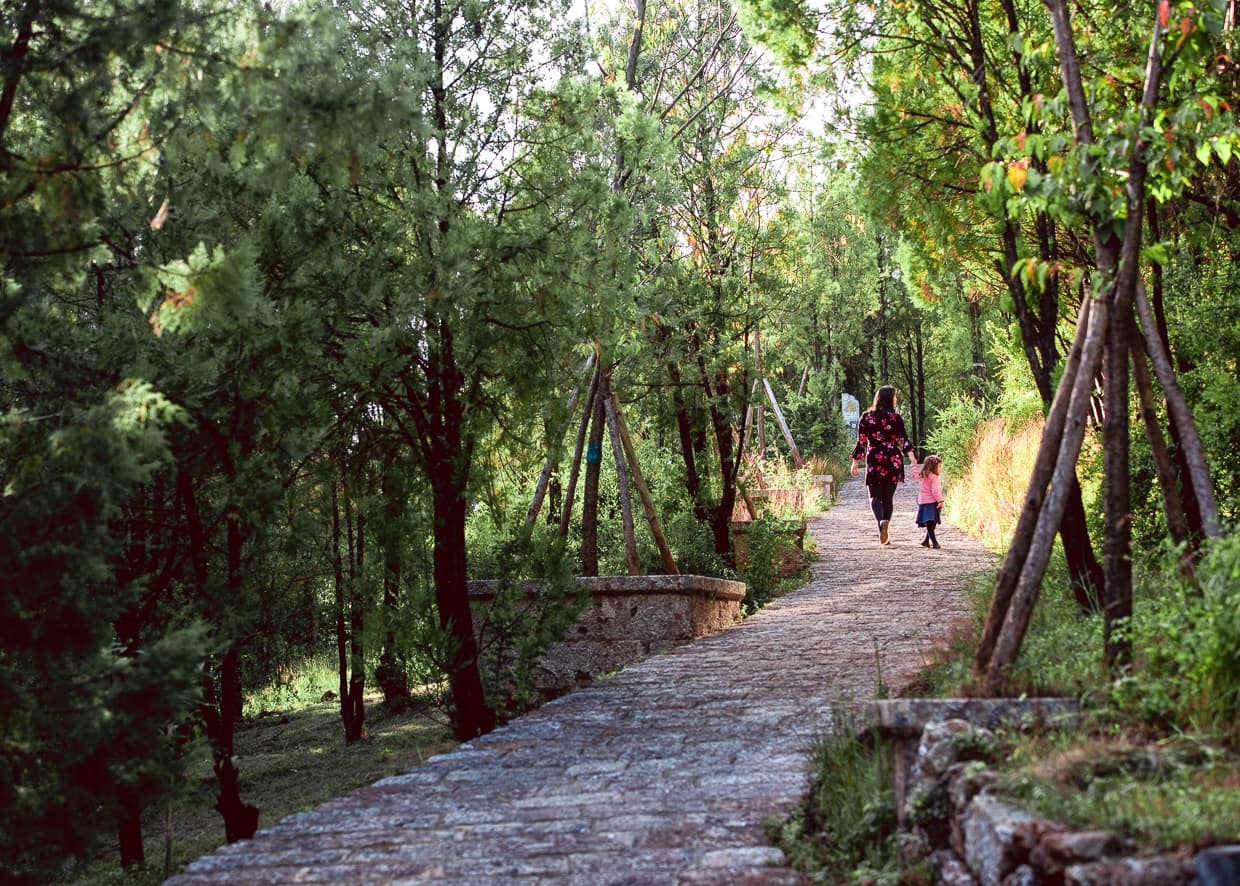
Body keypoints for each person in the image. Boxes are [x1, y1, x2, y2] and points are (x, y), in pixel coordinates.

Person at [850, 385, 916, 545]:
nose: (896, 399)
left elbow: (862, 441)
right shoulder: (895, 418)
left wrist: (855, 462)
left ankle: (881, 524)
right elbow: (903, 439)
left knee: (874, 496)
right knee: (888, 498)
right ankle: (885, 522)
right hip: (893, 459)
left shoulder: (866, 417)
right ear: (889, 399)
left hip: (874, 458)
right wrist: (912, 456)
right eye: (894, 396)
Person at [916, 455, 945, 549]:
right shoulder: (934, 477)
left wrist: (913, 464)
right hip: (932, 502)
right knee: (931, 523)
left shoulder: (922, 474)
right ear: (935, 466)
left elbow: (913, 474)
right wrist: (940, 500)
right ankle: (934, 542)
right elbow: (935, 491)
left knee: (930, 522)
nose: (940, 468)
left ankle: (926, 541)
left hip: (923, 502)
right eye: (940, 466)